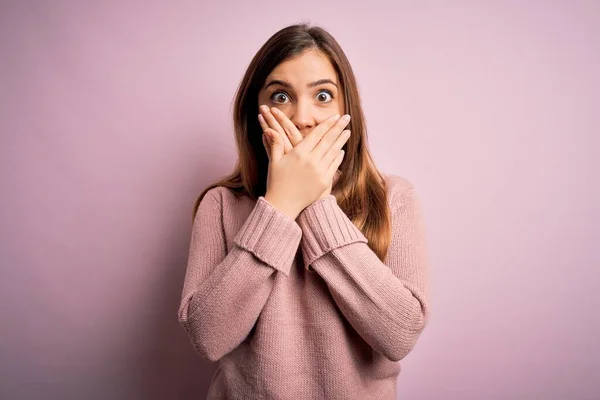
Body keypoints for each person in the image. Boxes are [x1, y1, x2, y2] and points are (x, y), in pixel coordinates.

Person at [177, 22, 430, 400]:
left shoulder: (393, 197)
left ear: (348, 109)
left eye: (323, 96)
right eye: (280, 97)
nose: (302, 117)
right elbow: (208, 337)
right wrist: (280, 206)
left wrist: (316, 204)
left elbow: (400, 334)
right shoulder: (221, 205)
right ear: (254, 112)